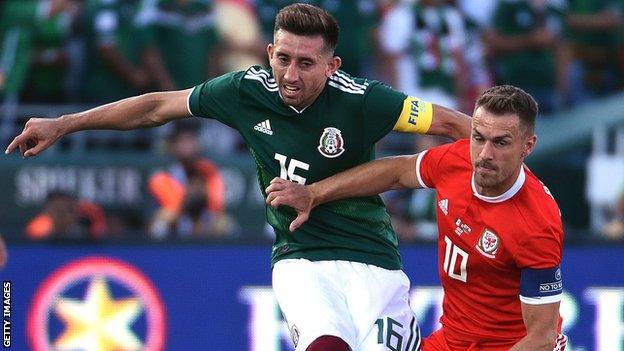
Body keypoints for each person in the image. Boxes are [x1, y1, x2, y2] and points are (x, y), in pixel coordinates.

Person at [5, 4, 472, 350]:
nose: (290, 74)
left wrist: (505, 176)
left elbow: (456, 127)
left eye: (306, 63)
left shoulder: (368, 100)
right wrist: (64, 123)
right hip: (302, 257)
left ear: (333, 67)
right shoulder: (246, 90)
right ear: (269, 50)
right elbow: (155, 107)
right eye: (282, 57)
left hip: (376, 260)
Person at [265, 85, 567, 350]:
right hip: (453, 340)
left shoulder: (536, 224)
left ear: (528, 146)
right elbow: (397, 172)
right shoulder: (458, 161)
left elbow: (541, 338)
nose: (484, 153)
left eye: (500, 142)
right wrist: (315, 193)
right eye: (478, 137)